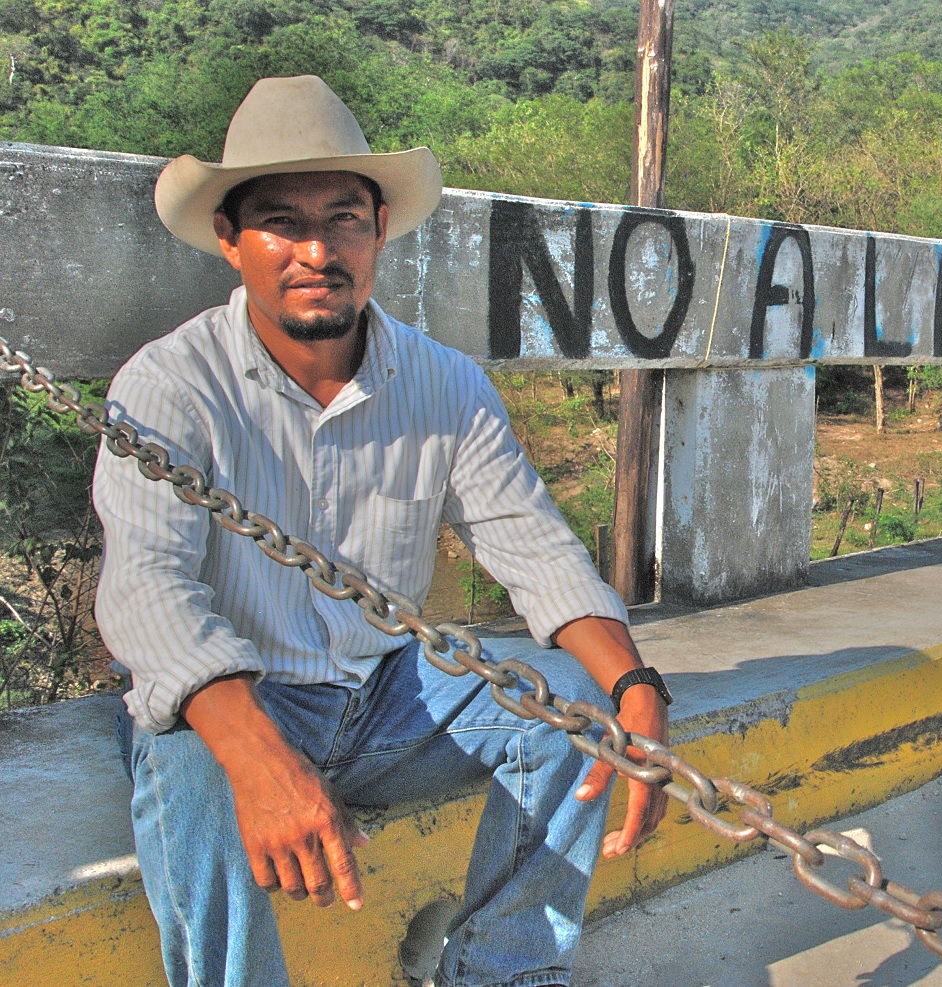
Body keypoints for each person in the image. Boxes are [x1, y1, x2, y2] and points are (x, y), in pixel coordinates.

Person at [93, 75, 671, 987]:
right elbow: (147, 589)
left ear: (380, 232)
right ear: (229, 239)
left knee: (575, 712)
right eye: (281, 220)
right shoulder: (170, 385)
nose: (317, 249)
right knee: (188, 761)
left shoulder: (444, 384)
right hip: (243, 697)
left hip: (394, 698)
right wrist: (261, 759)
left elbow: (534, 547)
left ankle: (501, 971)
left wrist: (635, 685)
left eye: (346, 219)